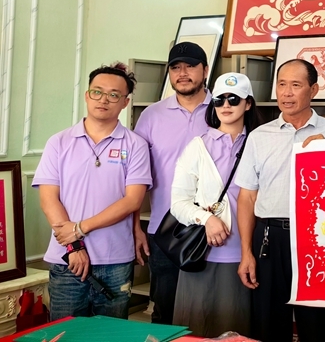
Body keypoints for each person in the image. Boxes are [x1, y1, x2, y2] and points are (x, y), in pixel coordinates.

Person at [235, 59, 325, 342]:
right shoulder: (259, 136)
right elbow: (247, 197)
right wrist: (246, 252)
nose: (286, 93)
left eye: (296, 85)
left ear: (314, 90)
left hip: (318, 239)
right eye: (281, 84)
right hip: (270, 238)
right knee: (268, 325)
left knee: (315, 325)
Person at [33, 63, 151, 320]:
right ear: (87, 95)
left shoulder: (136, 145)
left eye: (113, 95)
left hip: (115, 260)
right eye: (97, 92)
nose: (103, 100)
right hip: (67, 259)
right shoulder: (59, 142)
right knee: (65, 333)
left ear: (125, 102)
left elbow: (132, 200)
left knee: (110, 334)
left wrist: (80, 229)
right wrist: (74, 245)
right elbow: (49, 199)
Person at [170, 72, 263, 337]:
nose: (225, 105)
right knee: (195, 329)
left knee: (237, 330)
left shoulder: (260, 144)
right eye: (219, 100)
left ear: (248, 104)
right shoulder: (198, 147)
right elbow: (178, 202)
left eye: (234, 99)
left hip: (246, 254)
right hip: (201, 252)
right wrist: (206, 219)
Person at [134, 41, 212, 324]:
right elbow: (136, 177)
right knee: (165, 312)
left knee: (210, 312)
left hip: (214, 229)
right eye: (176, 67)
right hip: (165, 230)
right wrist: (136, 226)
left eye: (190, 66)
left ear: (205, 70)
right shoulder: (151, 115)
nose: (183, 73)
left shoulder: (224, 110)